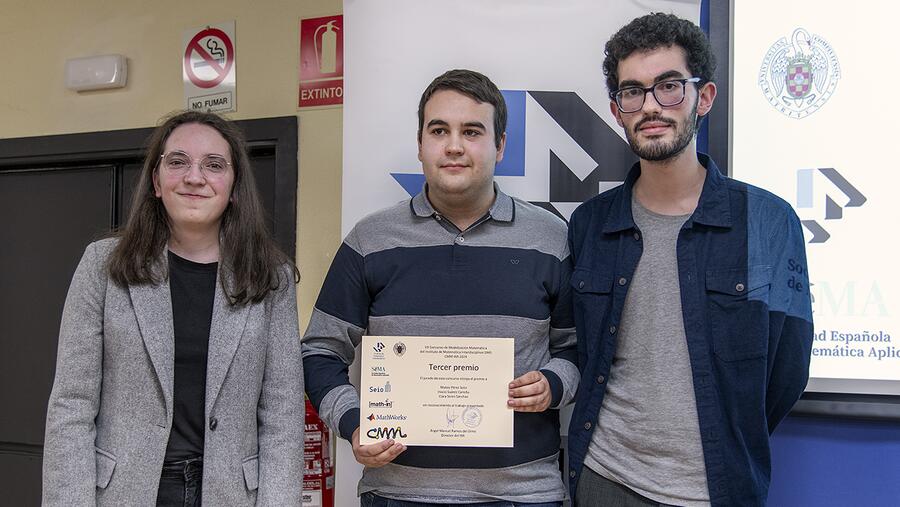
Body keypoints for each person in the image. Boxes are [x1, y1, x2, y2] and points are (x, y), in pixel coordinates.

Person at [566, 13, 814, 506]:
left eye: (670, 86)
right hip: (604, 479)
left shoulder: (767, 221)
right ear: (618, 110)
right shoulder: (590, 224)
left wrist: (728, 433)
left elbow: (787, 368)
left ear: (704, 98)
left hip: (716, 490)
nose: (651, 106)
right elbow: (581, 346)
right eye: (632, 91)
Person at [302, 69, 578, 504]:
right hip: (398, 494)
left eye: (472, 131)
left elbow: (576, 350)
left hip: (523, 495)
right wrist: (354, 422)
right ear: (419, 144)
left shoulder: (550, 238)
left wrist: (553, 384)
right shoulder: (369, 240)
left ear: (500, 145)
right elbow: (320, 350)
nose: (453, 146)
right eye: (439, 130)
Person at [42, 110, 305, 506]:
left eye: (214, 165)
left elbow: (283, 417)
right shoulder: (103, 266)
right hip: (122, 492)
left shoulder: (271, 278)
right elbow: (71, 406)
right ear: (156, 181)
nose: (194, 177)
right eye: (178, 161)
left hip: (231, 494)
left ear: (234, 187)